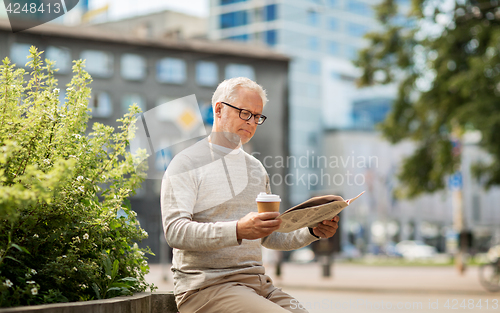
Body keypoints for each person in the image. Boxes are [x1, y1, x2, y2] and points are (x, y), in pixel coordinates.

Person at [161, 77, 340, 313]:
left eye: (257, 117)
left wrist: (311, 231)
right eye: (245, 113)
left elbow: (267, 237)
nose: (252, 122)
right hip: (207, 288)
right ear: (219, 109)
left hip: (258, 285)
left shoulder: (256, 169)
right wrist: (237, 230)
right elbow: (175, 231)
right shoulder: (185, 163)